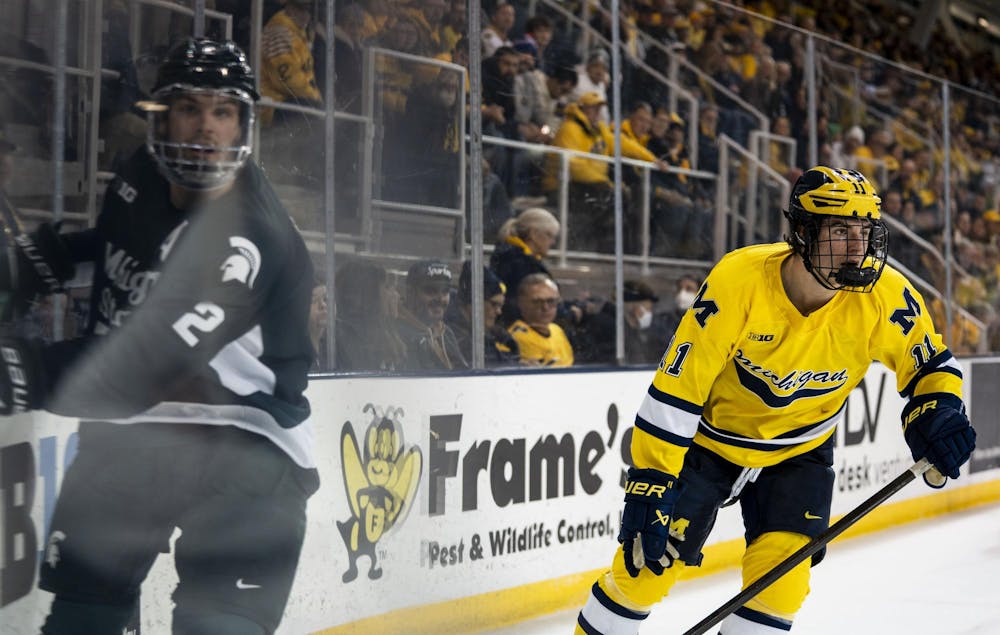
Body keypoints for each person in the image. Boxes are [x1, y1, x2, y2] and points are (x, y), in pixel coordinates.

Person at [0, 38, 321, 635]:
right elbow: (129, 244)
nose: (206, 129)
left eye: (223, 112)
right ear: (161, 116)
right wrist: (48, 261)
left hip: (244, 443)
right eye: (189, 109)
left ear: (245, 123)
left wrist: (27, 373)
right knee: (82, 616)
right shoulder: (141, 173)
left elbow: (152, 363)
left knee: (218, 626)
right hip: (131, 436)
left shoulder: (247, 240)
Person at [575, 167, 976, 635]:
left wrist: (940, 411)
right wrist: (652, 477)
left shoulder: (886, 296)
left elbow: (932, 367)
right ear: (803, 233)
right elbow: (679, 387)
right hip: (710, 446)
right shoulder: (740, 279)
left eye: (865, 231)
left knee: (780, 587)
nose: (858, 247)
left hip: (798, 454)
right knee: (643, 571)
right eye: (842, 230)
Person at [574, 280, 670, 366]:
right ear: (634, 307)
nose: (649, 314)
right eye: (647, 309)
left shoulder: (632, 329)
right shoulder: (607, 327)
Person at [334, 258, 407, 372]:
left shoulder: (384, 332)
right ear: (369, 295)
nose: (396, 295)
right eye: (387, 287)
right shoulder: (343, 338)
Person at [490, 206, 559, 325]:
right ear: (533, 234)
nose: (553, 242)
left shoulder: (512, 257)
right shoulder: (520, 264)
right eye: (549, 235)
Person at [396, 259, 468, 370]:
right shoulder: (398, 335)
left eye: (445, 291)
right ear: (410, 293)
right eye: (430, 291)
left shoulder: (445, 332)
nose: (440, 299)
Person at [446, 261, 520, 366]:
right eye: (494, 304)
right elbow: (488, 365)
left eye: (500, 306)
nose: (499, 312)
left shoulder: (480, 331)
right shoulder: (455, 337)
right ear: (473, 302)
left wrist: (519, 364)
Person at [508, 273, 574, 367]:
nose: (545, 307)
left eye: (551, 301)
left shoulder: (556, 330)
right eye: (537, 302)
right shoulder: (517, 337)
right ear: (521, 303)